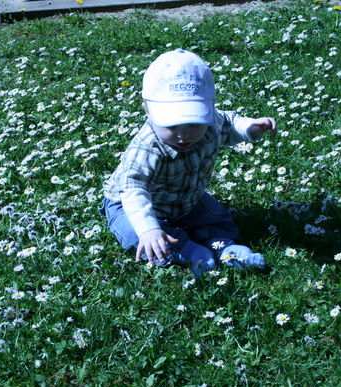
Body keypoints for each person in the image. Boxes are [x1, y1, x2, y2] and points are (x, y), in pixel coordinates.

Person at [101, 49, 277, 276]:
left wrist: (250, 128)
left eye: (194, 123)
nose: (184, 135)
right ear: (148, 110)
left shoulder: (211, 122)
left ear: (208, 108)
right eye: (172, 125)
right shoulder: (147, 147)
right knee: (137, 234)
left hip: (186, 198)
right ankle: (187, 251)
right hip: (129, 204)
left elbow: (229, 124)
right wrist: (149, 228)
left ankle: (224, 248)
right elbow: (133, 189)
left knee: (215, 216)